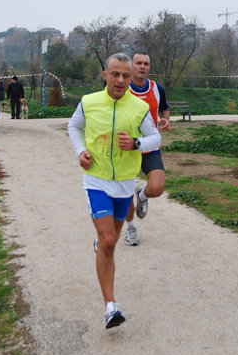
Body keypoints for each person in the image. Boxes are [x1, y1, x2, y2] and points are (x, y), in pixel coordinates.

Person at [68, 53, 161, 329]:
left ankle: (102, 249)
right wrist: (81, 151)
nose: (120, 80)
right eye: (115, 74)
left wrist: (136, 144)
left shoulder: (138, 107)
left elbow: (155, 137)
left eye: (125, 75)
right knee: (108, 241)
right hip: (96, 181)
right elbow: (73, 126)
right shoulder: (89, 103)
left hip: (124, 184)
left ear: (130, 78)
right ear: (105, 75)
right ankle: (110, 306)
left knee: (111, 241)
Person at [123, 52, 171, 246]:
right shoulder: (123, 88)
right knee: (124, 193)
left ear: (149, 67)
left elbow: (164, 108)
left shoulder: (156, 88)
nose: (142, 66)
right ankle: (131, 228)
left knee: (158, 187)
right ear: (132, 66)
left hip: (150, 146)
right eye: (138, 63)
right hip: (127, 148)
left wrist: (166, 120)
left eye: (146, 64)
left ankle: (142, 194)